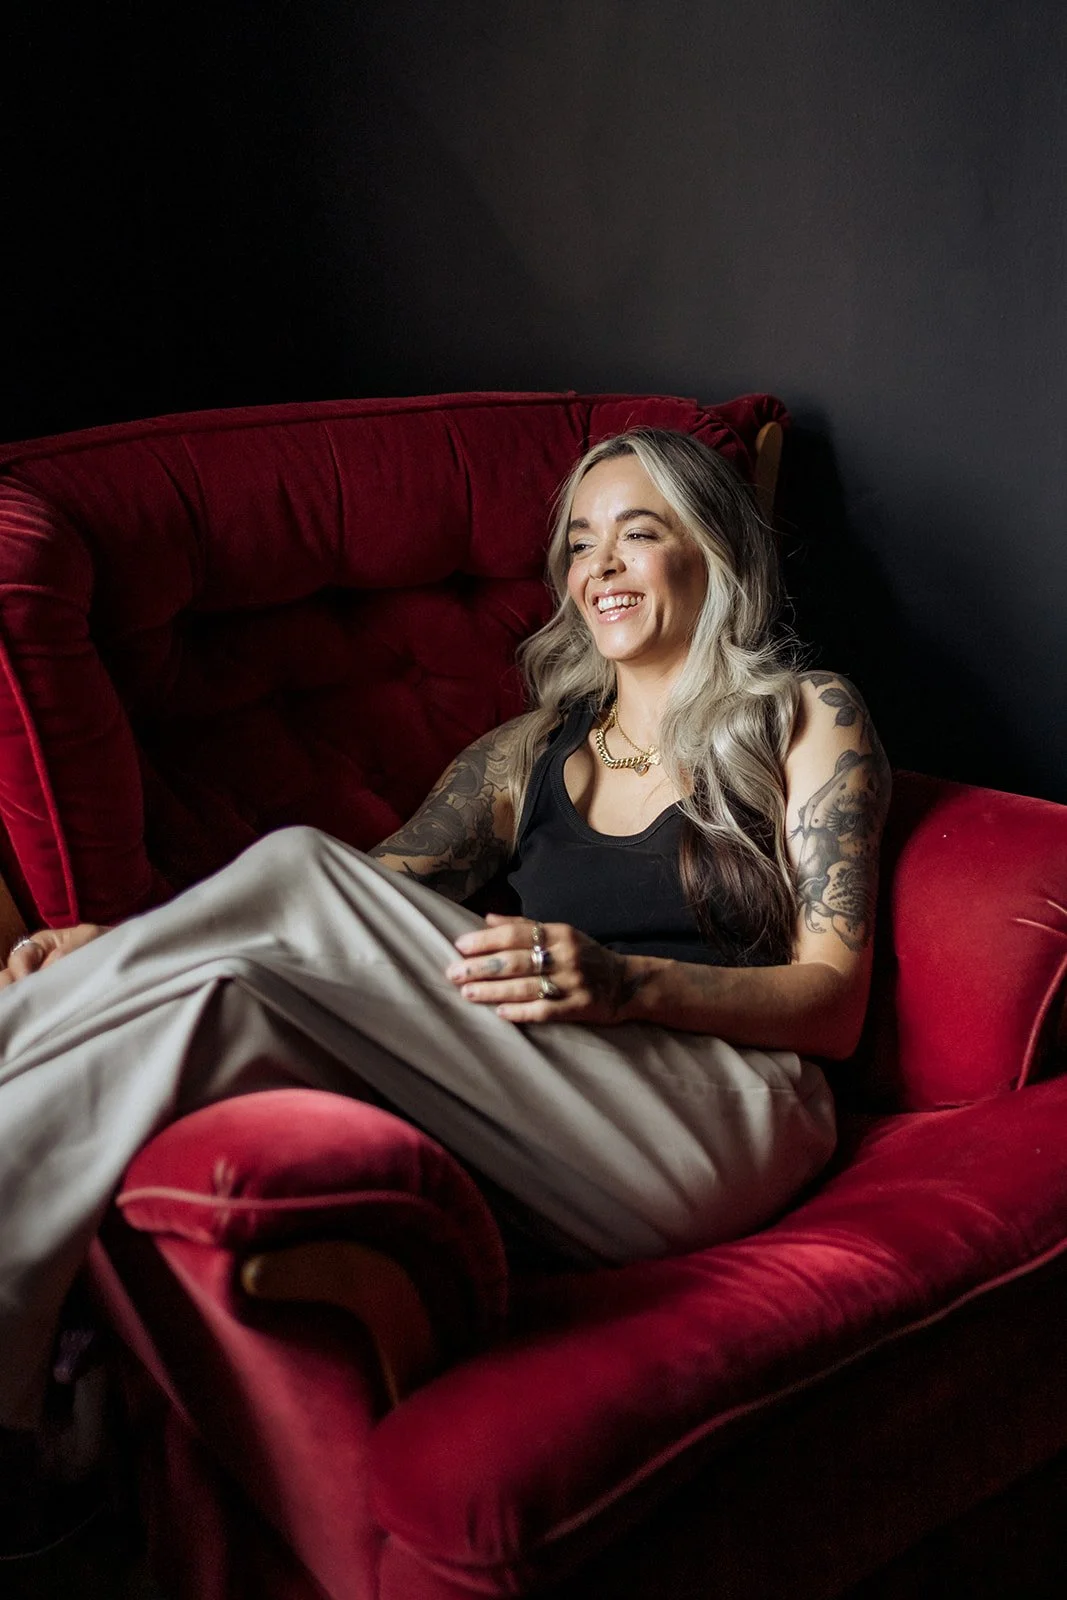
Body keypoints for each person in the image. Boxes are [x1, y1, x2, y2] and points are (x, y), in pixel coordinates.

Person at [0, 427, 889, 1436]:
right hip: (556, 1120)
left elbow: (835, 1003)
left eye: (635, 534)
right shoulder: (526, 754)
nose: (597, 566)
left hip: (727, 1116)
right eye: (579, 542)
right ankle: (23, 1406)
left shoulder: (802, 715)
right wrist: (128, 951)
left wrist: (620, 982)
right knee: (226, 999)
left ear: (714, 552)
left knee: (295, 870)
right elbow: (351, 911)